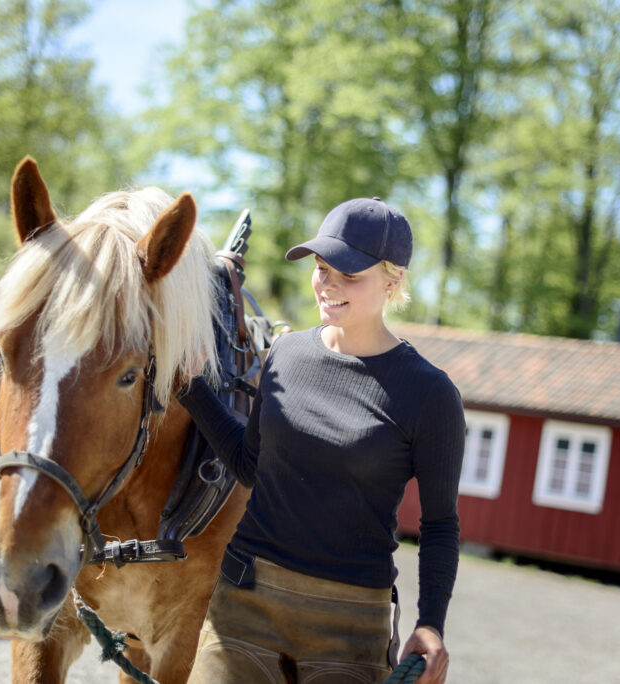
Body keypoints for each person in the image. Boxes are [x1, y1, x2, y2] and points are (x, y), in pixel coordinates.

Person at [179, 197, 466, 684]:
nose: (327, 283)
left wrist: (430, 622)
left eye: (349, 274)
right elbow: (251, 465)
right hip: (244, 599)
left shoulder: (430, 395)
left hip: (351, 622)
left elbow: (439, 525)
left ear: (393, 281)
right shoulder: (285, 354)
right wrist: (191, 388)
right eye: (321, 266)